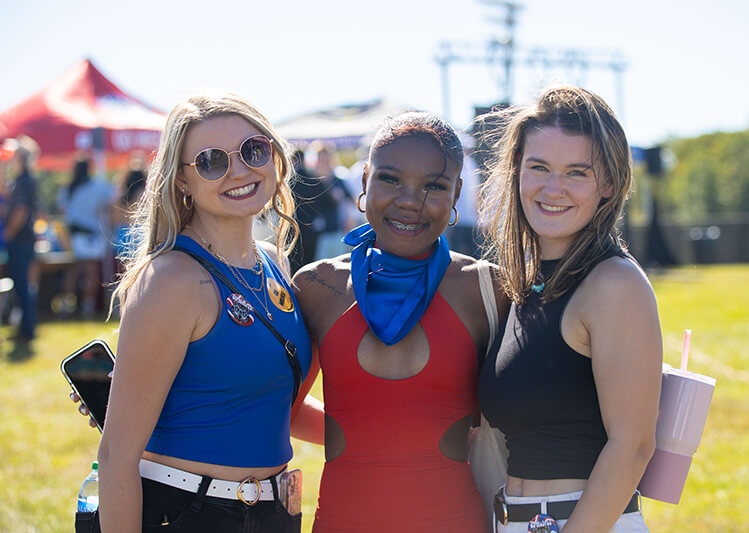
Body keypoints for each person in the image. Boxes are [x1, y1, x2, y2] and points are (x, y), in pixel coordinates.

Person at [95, 93, 321, 532]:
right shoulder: (172, 280)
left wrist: (391, 434)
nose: (239, 170)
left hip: (275, 514)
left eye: (254, 150)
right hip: (189, 514)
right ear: (181, 181)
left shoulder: (275, 261)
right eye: (212, 161)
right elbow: (116, 454)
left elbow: (277, 405)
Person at [293, 111, 509, 532]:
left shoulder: (486, 290)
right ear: (364, 180)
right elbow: (283, 412)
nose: (410, 200)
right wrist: (372, 441)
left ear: (457, 194)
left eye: (434, 186)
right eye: (390, 179)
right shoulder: (317, 287)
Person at [477, 86, 662, 532]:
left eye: (577, 173)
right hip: (519, 520)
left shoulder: (615, 283)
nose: (552, 188)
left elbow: (633, 445)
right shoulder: (526, 284)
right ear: (516, 171)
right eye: (538, 167)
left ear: (609, 185)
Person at [59, 156, 114, 317]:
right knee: (90, 271)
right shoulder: (98, 187)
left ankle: (67, 303)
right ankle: (87, 305)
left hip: (75, 235)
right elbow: (110, 202)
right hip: (92, 235)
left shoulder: (69, 188)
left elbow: (64, 211)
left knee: (73, 270)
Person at [4, 135, 40, 348]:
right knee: (23, 286)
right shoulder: (25, 181)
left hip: (20, 241)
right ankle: (25, 328)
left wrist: (7, 234)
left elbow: (20, 211)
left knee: (22, 286)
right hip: (26, 240)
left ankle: (26, 329)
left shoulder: (23, 181)